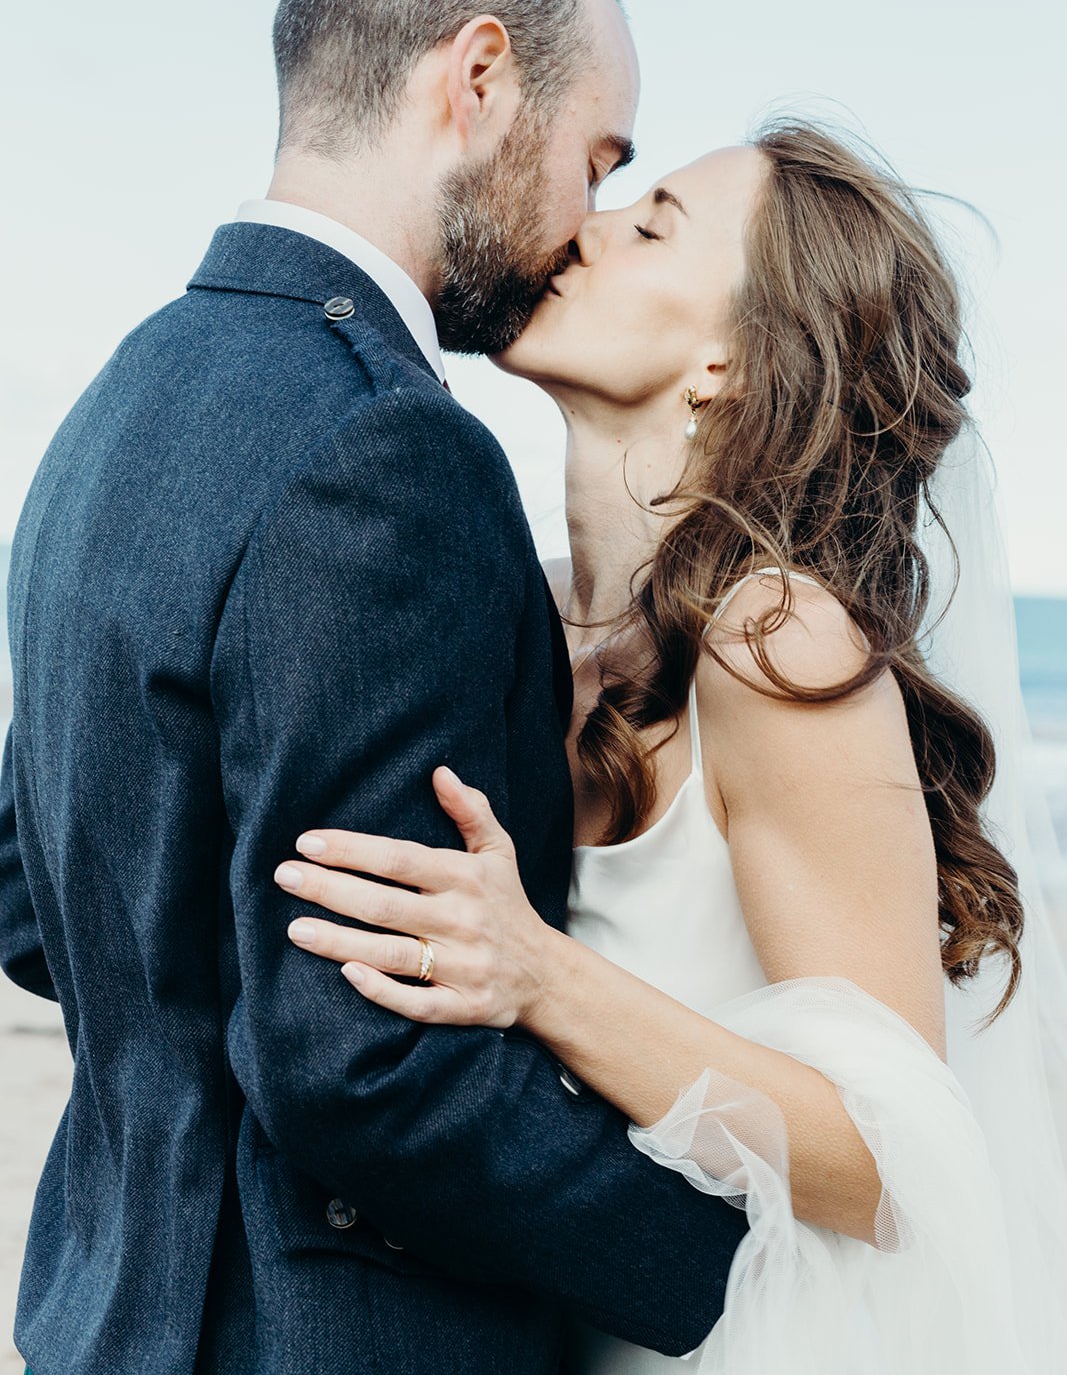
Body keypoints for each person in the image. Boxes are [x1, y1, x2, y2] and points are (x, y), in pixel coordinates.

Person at [0, 0, 752, 1375]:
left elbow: (36, 896)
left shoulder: (116, 407)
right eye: (594, 157)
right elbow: (362, 1068)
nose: (580, 223)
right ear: (476, 79)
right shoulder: (388, 448)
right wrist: (728, 1272)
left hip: (103, 1318)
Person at [275, 123, 1067, 1371]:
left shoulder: (775, 638)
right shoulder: (517, 608)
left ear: (729, 366)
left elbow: (890, 1160)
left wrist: (538, 975)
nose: (580, 229)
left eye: (647, 227)